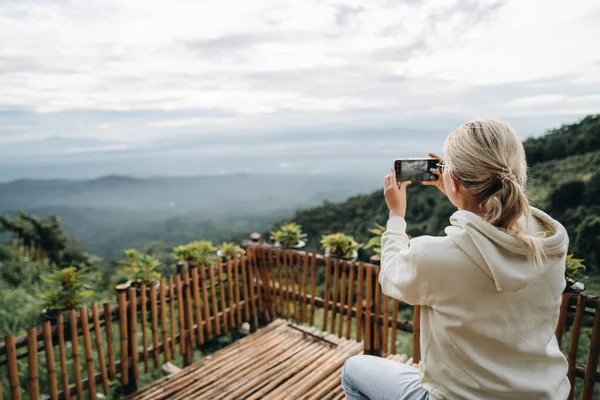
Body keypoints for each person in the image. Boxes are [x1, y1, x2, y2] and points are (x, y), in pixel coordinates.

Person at [341, 119, 570, 400]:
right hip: (545, 394)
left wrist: (396, 216)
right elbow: (497, 222)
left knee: (353, 370)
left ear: (454, 179)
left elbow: (390, 275)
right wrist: (460, 193)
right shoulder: (551, 240)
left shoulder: (435, 258)